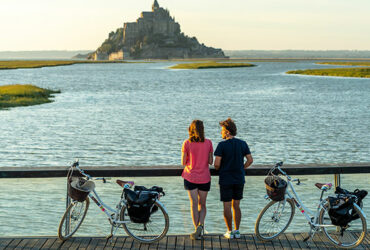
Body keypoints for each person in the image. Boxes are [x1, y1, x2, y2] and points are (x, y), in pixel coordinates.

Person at [214, 118, 253, 239]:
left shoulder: (222, 145)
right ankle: (237, 231)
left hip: (226, 179)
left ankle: (229, 231)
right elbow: (250, 160)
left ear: (226, 132)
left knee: (226, 206)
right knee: (236, 205)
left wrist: (219, 168)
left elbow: (216, 164)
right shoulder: (242, 143)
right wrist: (242, 168)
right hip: (239, 178)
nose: (221, 133)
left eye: (222, 130)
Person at [181, 120, 213, 240]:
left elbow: (183, 162)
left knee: (194, 204)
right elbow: (210, 161)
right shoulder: (208, 142)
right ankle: (201, 225)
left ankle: (196, 230)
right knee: (202, 204)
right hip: (204, 177)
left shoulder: (187, 143)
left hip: (190, 177)